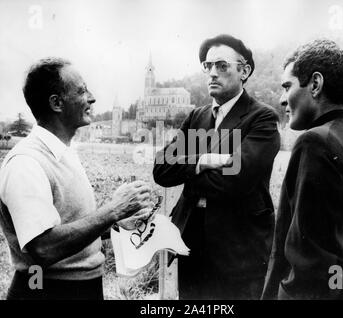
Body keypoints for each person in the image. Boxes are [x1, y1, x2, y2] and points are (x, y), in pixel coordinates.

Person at [0, 57, 152, 300]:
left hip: (81, 290)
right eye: (82, 91)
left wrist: (112, 224)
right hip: (47, 291)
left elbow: (70, 227)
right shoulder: (25, 163)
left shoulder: (64, 152)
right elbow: (43, 248)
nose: (91, 98)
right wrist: (113, 209)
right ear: (56, 103)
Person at [153, 34, 280, 299]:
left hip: (238, 250)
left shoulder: (262, 118)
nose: (212, 73)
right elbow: (162, 170)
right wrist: (203, 162)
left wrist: (188, 171)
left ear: (244, 71)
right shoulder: (197, 116)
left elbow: (236, 180)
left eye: (221, 66)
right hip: (191, 242)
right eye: (207, 66)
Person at [261, 39, 343, 300]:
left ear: (315, 84)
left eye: (287, 86)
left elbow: (312, 269)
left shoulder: (316, 143)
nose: (281, 99)